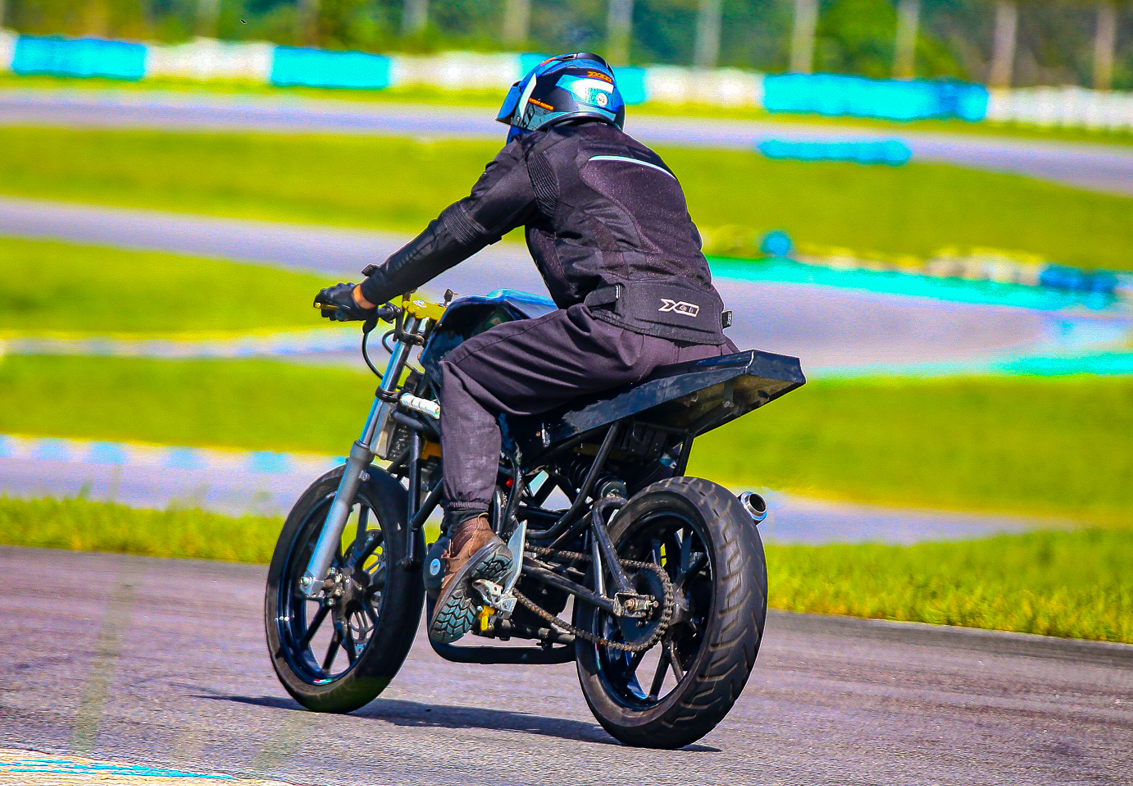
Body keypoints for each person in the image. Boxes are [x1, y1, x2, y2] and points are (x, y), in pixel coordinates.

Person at [314, 52, 735, 644]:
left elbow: (462, 227)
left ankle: (467, 537)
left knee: (467, 370)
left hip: (620, 330)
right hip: (705, 340)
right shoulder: (652, 164)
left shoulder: (545, 153)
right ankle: (604, 542)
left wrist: (369, 291)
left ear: (539, 105)